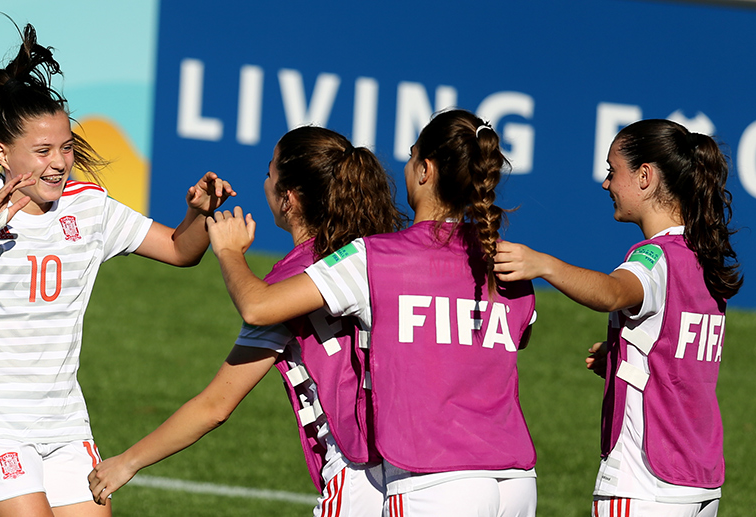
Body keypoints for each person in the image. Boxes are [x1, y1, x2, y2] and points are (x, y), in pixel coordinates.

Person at [0, 22, 234, 517]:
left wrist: (199, 213)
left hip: (64, 425)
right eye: (42, 152)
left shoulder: (90, 206)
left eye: (66, 148)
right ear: (2, 154)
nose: (59, 163)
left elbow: (181, 251)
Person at [206, 109, 538, 517]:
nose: (406, 163)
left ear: (425, 171)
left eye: (413, 154)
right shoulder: (509, 262)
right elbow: (512, 339)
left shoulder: (377, 257)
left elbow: (259, 306)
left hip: (432, 476)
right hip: (517, 478)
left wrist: (226, 251)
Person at [87, 126, 403, 515]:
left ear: (288, 198)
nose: (264, 180)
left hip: (355, 475)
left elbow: (216, 405)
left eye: (269, 173)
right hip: (413, 468)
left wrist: (126, 462)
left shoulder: (282, 291)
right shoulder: (378, 257)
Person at [493, 119, 742, 517]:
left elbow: (612, 293)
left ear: (645, 176)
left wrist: (541, 264)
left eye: (613, 171)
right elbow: (679, 355)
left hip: (646, 482)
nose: (606, 184)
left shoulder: (653, 257)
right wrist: (623, 355)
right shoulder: (703, 258)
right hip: (699, 484)